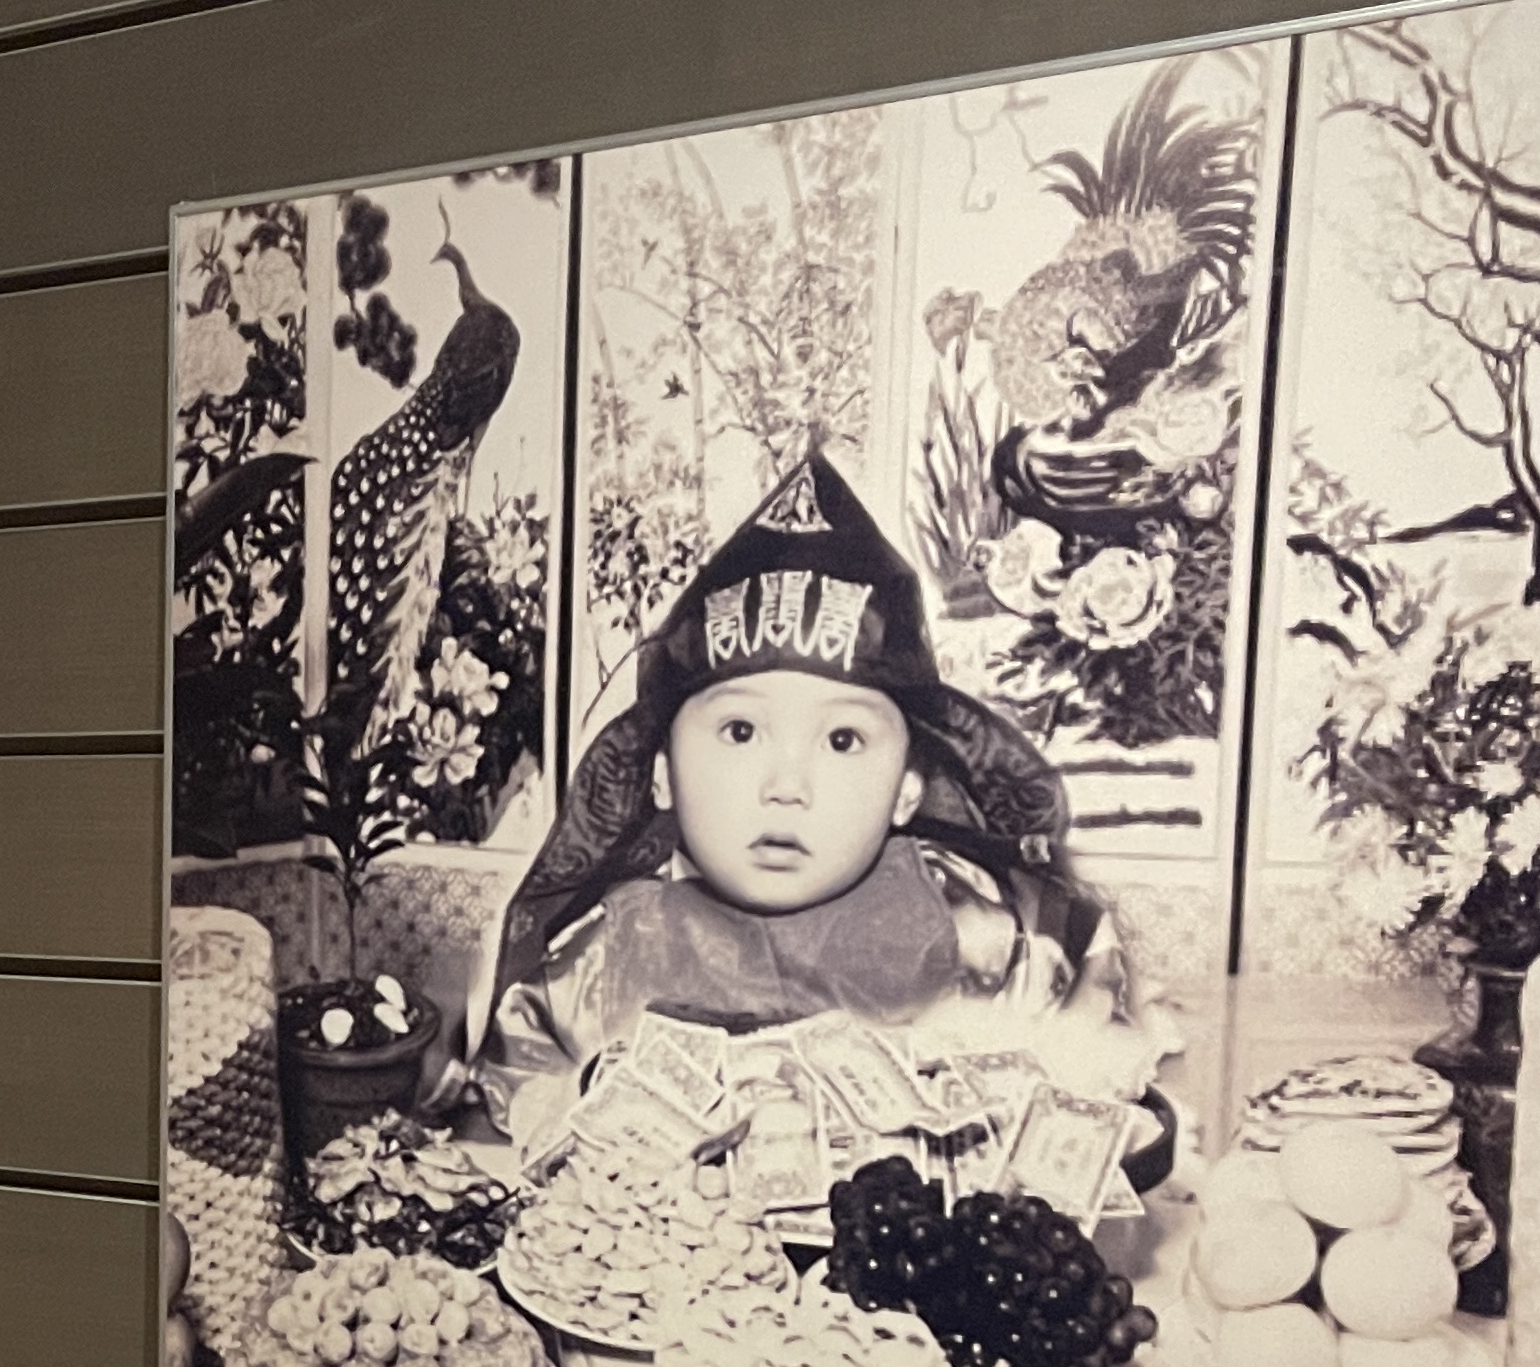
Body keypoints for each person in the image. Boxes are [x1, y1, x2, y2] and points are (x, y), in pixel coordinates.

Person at [470, 451, 1146, 1155]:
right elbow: (518, 1105)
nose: (787, 785)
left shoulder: (991, 941)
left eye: (843, 740)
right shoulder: (600, 965)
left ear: (908, 788)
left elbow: (1088, 1098)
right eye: (740, 731)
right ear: (660, 775)